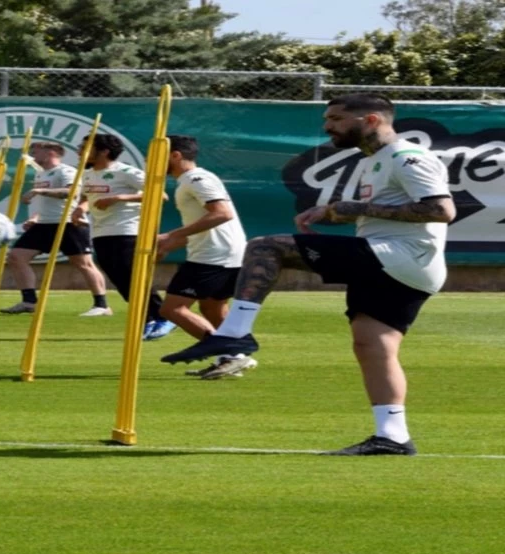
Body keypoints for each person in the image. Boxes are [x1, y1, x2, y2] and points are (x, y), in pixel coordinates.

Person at [161, 93, 455, 456]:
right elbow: (382, 209)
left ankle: (235, 334)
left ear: (372, 120)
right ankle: (392, 437)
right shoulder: (371, 161)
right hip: (400, 265)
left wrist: (352, 208)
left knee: (266, 247)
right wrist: (331, 212)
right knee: (372, 346)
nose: (327, 126)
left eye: (335, 118)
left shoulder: (407, 157)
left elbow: (441, 210)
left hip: (400, 257)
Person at [156, 135, 256, 380]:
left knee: (172, 309)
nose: (152, 162)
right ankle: (230, 358)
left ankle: (233, 353)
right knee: (212, 305)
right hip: (223, 252)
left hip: (215, 255)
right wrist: (173, 242)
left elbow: (222, 214)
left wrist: (171, 235)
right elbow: (204, 223)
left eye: (156, 156)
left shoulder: (196, 179)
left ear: (175, 155)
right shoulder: (188, 181)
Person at [81, 134, 177, 341]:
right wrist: (80, 209)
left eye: (86, 147)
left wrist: (120, 197)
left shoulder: (126, 172)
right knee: (120, 281)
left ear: (104, 151)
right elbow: (87, 198)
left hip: (127, 232)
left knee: (132, 278)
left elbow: (161, 195)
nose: (80, 151)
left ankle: (164, 317)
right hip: (100, 233)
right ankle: (148, 318)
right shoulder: (88, 175)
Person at [0, 142, 111, 316]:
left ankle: (102, 305)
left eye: (35, 151)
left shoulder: (66, 171)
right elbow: (48, 203)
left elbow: (71, 193)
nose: (32, 155)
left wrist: (38, 191)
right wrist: (35, 217)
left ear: (51, 152)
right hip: (44, 224)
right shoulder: (41, 174)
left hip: (68, 223)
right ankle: (29, 302)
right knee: (16, 257)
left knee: (83, 264)